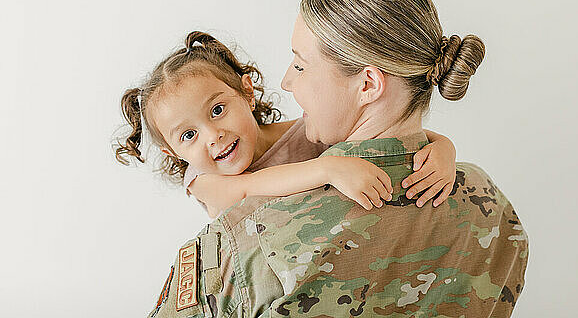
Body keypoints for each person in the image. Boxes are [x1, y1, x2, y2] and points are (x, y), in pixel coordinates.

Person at [144, 0, 528, 318]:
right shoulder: (492, 204)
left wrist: (443, 147)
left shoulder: (244, 248)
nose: (286, 82)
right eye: (188, 135)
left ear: (367, 85)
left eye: (300, 64)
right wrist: (444, 151)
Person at [114, 32, 457, 219]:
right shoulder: (204, 180)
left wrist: (442, 149)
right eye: (189, 135)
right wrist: (328, 169)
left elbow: (396, 131)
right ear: (173, 152)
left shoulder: (305, 133)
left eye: (217, 110)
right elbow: (248, 188)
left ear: (247, 93)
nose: (212, 135)